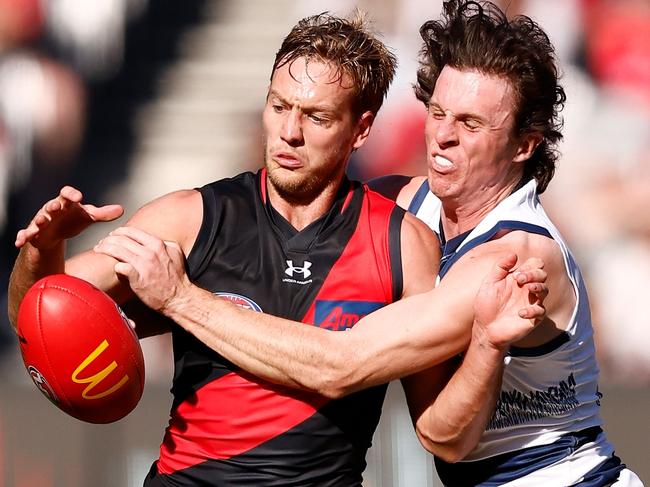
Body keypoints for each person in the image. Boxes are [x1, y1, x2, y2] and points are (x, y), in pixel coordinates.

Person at [79, 1, 643, 486]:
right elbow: (441, 436)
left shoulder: (516, 255)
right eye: (438, 112)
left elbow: (343, 365)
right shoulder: (406, 206)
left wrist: (180, 297)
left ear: (526, 143)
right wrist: (48, 263)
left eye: (471, 124)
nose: (442, 134)